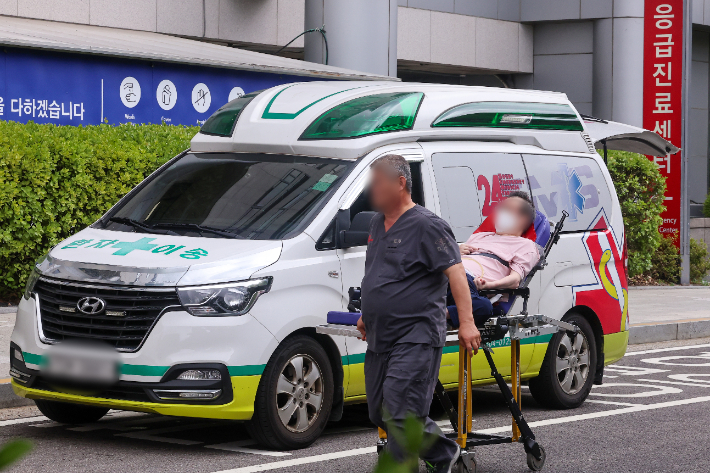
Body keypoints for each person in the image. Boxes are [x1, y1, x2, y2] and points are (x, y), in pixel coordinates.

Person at [355, 154, 481, 473]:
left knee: (399, 409)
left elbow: (455, 273)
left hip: (417, 334)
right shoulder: (375, 223)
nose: (372, 189)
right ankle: (444, 454)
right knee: (379, 412)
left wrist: (466, 322)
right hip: (381, 335)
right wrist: (365, 313)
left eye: (378, 182)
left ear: (400, 184)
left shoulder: (428, 225)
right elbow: (375, 272)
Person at [446, 191, 540, 328]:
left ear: (522, 219)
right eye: (500, 208)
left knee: (482, 307)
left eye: (506, 209)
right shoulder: (481, 237)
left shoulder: (526, 246)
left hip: (467, 280)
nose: (499, 212)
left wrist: (488, 286)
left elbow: (515, 280)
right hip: (447, 270)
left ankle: (436, 314)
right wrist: (453, 252)